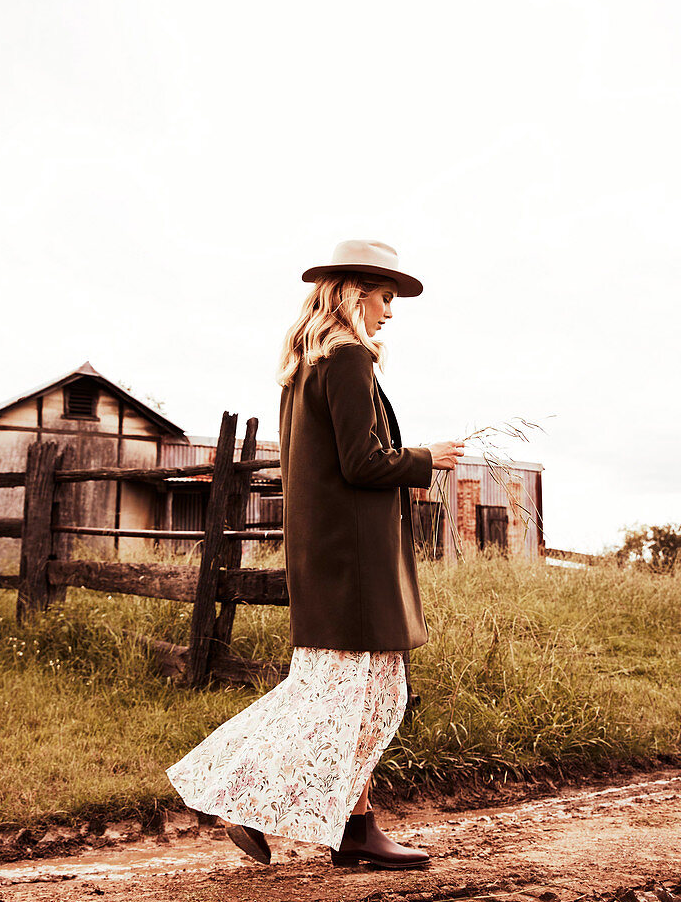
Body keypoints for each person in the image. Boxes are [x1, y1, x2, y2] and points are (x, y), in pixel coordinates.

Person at [166, 239, 464, 869]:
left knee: (367, 694)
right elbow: (361, 462)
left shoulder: (308, 365)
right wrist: (424, 458)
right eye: (385, 298)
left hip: (331, 553)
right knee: (336, 696)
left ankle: (355, 825)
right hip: (354, 559)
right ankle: (230, 789)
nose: (390, 312)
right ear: (355, 293)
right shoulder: (349, 358)